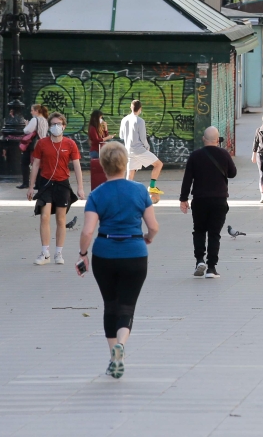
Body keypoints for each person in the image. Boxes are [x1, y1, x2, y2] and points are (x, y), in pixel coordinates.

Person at [76, 141, 159, 380]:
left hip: (105, 255)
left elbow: (87, 232)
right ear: (125, 164)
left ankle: (113, 354)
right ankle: (122, 344)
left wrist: (83, 255)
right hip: (135, 253)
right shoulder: (140, 191)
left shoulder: (97, 194)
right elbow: (153, 226)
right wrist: (147, 237)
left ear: (103, 165)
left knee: (110, 304)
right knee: (127, 305)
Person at [179, 126, 237, 279]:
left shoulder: (195, 156)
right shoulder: (224, 154)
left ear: (204, 139)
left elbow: (187, 179)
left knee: (198, 231)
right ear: (217, 140)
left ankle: (199, 260)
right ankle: (211, 268)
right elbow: (233, 173)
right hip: (219, 200)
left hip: (199, 200)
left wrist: (183, 199)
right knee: (214, 233)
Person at [29, 111, 85, 266]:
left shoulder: (70, 144)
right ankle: (45, 252)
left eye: (58, 124)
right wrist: (31, 186)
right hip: (46, 184)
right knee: (44, 217)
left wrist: (80, 187)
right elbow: (36, 165)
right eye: (53, 124)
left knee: (61, 219)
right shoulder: (42, 143)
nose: (56, 127)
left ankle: (58, 253)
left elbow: (77, 166)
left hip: (62, 184)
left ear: (64, 126)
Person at [119, 100, 164, 196]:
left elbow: (121, 136)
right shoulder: (140, 121)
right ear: (140, 109)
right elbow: (143, 138)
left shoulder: (124, 120)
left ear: (131, 107)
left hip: (128, 150)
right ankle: (152, 187)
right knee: (158, 164)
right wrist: (147, 147)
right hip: (139, 150)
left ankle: (125, 194)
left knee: (130, 173)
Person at [18, 104, 49, 189]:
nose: (31, 112)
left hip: (33, 144)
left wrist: (26, 125)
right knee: (38, 163)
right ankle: (38, 184)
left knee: (24, 162)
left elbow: (27, 130)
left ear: (37, 111)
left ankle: (25, 182)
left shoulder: (35, 119)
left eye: (32, 110)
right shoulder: (45, 120)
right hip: (42, 143)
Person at [87, 110, 114, 191]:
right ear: (96, 118)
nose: (101, 119)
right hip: (95, 151)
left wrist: (105, 128)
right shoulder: (92, 128)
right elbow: (97, 140)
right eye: (100, 117)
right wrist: (108, 138)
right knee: (98, 171)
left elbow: (104, 137)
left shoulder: (98, 127)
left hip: (101, 150)